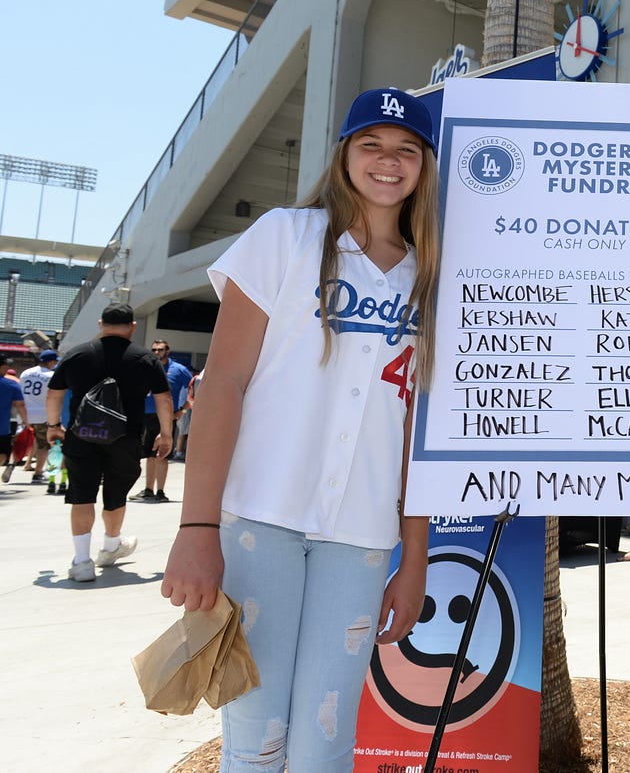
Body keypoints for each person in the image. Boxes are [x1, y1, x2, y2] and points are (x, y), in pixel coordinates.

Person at [161, 86, 441, 769]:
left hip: (363, 536)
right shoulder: (286, 236)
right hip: (262, 519)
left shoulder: (428, 276)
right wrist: (196, 529)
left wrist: (415, 557)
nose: (387, 161)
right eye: (371, 144)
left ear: (425, 165)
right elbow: (221, 383)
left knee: (325, 744)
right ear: (345, 153)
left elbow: (417, 429)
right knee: (257, 739)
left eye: (406, 150)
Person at [45, 303, 173, 582]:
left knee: (82, 495)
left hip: (81, 436)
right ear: (133, 326)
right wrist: (166, 433)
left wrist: (54, 426)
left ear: (101, 324)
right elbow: (163, 398)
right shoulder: (144, 358)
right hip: (125, 438)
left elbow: (54, 393)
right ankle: (111, 547)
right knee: (115, 494)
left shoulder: (78, 353)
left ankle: (82, 562)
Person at [131, 340, 193, 502]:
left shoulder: (179, 370)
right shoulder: (146, 368)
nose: (156, 352)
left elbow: (195, 391)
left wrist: (182, 410)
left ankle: (160, 492)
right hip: (146, 416)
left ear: (168, 351)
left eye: (160, 349)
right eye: (154, 349)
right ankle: (148, 489)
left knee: (162, 454)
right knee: (149, 455)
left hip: (166, 417)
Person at [17, 350, 60, 488]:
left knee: (23, 441)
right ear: (51, 361)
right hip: (42, 414)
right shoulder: (51, 375)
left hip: (25, 414)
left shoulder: (25, 373)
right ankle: (37, 473)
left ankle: (13, 463)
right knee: (43, 445)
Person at [0, 362, 28, 483]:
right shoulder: (11, 384)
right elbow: (19, 405)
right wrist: (26, 421)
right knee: (2, 454)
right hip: (2, 427)